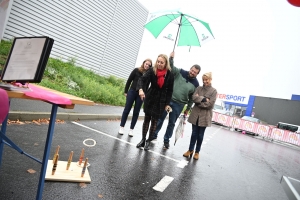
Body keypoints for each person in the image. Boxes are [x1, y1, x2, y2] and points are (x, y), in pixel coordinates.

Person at [153, 52, 200, 149]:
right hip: (168, 100)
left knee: (171, 123)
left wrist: (188, 108)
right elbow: (171, 67)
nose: (192, 72)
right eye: (191, 70)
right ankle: (154, 135)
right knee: (160, 118)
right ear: (190, 69)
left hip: (179, 105)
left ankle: (166, 140)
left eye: (195, 72)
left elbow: (192, 98)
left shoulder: (196, 84)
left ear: (197, 73)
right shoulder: (181, 72)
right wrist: (171, 58)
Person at [136, 54, 174, 151]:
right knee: (146, 120)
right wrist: (140, 89)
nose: (159, 64)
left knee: (154, 122)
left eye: (162, 62)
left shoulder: (170, 75)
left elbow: (170, 91)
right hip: (151, 96)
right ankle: (143, 140)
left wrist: (167, 104)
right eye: (158, 61)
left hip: (161, 100)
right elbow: (141, 79)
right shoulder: (152, 70)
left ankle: (148, 141)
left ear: (166, 63)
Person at [183, 72, 217, 160]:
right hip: (195, 114)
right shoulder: (198, 88)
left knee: (200, 135)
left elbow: (211, 105)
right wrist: (204, 99)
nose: (205, 81)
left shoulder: (214, 91)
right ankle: (190, 150)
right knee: (194, 133)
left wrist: (199, 102)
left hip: (205, 116)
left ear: (210, 79)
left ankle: (197, 152)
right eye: (203, 79)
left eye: (207, 80)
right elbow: (194, 98)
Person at [118, 58, 152, 137]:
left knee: (136, 112)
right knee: (127, 109)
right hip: (132, 92)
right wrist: (126, 91)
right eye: (146, 64)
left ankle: (131, 129)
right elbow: (129, 80)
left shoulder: (149, 75)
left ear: (150, 67)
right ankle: (122, 127)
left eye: (149, 65)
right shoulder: (136, 70)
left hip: (141, 95)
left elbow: (148, 86)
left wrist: (145, 94)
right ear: (143, 63)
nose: (147, 66)